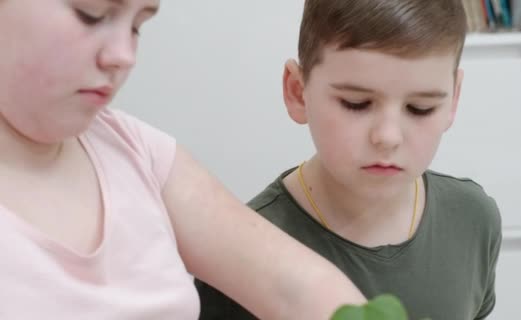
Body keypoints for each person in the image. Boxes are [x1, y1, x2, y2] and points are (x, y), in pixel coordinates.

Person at [0, 1, 367, 319]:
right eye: (91, 15)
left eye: (137, 26)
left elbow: (298, 290)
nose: (124, 54)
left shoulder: (134, 151)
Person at [197, 0, 502, 319]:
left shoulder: (473, 220)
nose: (387, 136)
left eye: (420, 108)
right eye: (356, 103)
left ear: (453, 99)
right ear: (298, 91)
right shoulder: (238, 256)